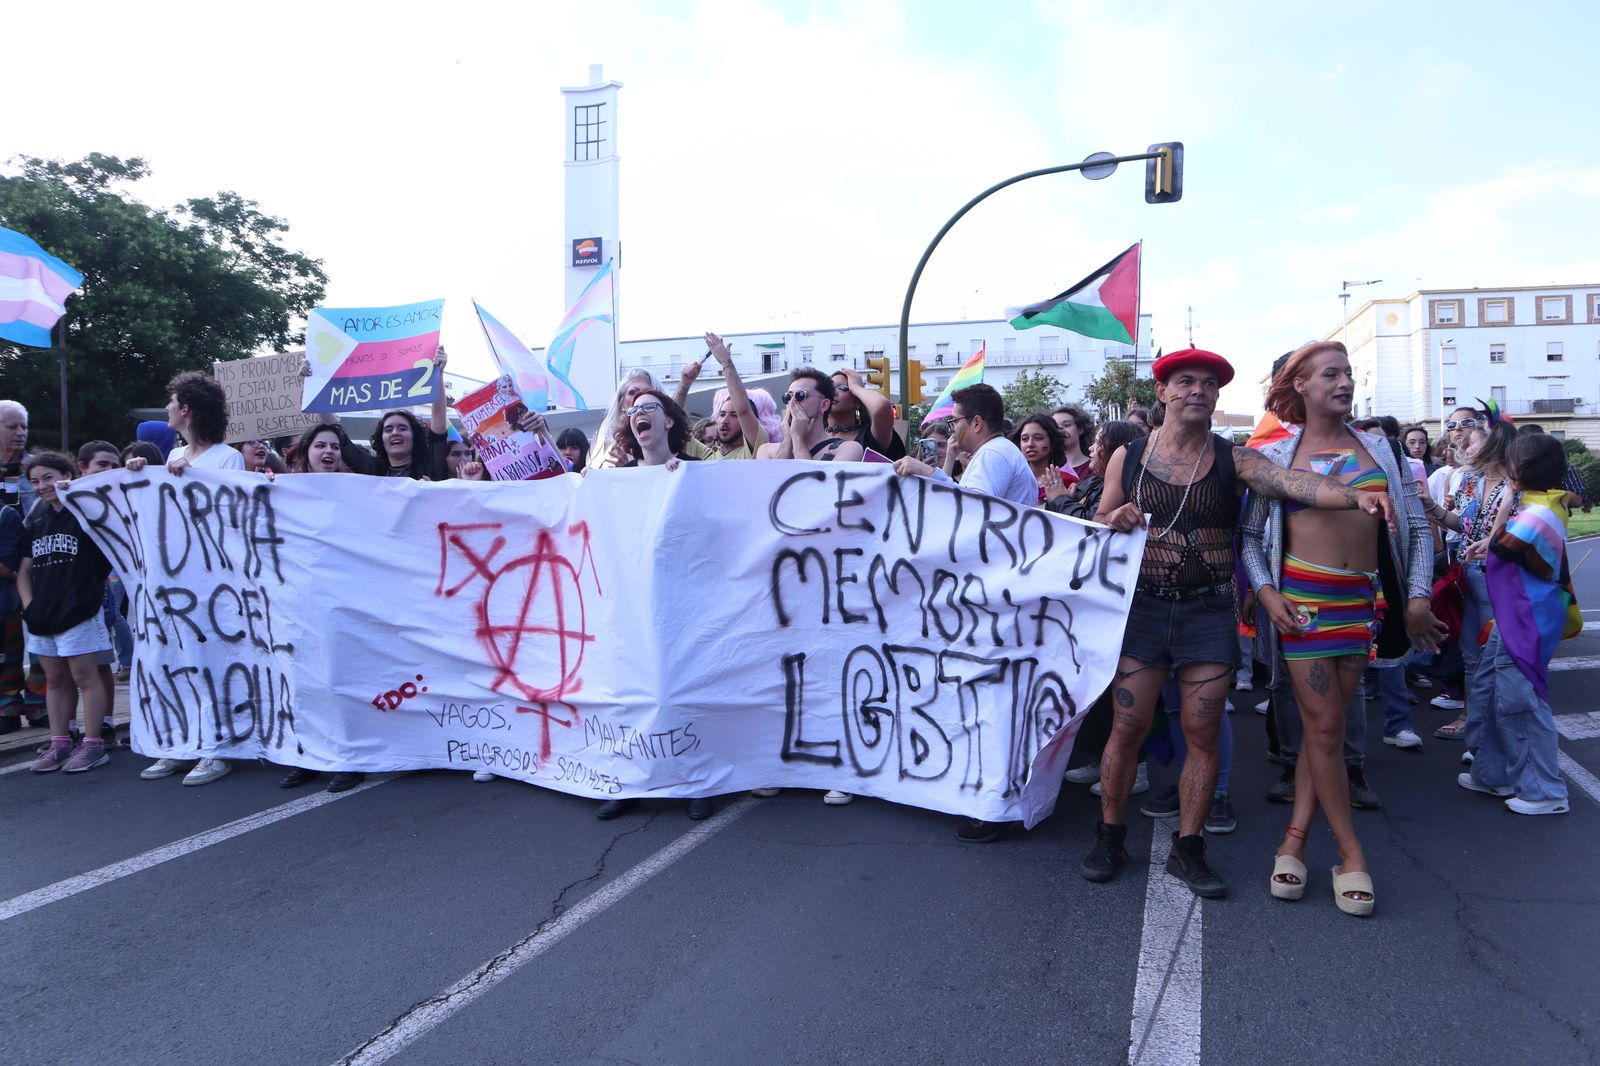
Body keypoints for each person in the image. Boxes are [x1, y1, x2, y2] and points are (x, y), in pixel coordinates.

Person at [1080, 347, 1398, 900]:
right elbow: (1098, 518)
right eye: (1185, 381)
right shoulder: (1128, 457)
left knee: (1202, 733)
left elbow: (1288, 485)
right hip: (1144, 608)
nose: (1197, 390)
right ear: (1163, 392)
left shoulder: (1235, 459)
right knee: (1127, 728)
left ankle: (1190, 847)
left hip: (1207, 610)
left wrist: (1356, 496)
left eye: (1208, 383)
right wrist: (1115, 517)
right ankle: (1109, 835)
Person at [1242, 341, 1441, 916]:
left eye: (1349, 373)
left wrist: (1419, 596)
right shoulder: (1276, 454)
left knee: (1320, 734)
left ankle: (1294, 841)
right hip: (1302, 607)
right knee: (1327, 729)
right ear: (1299, 385)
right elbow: (1254, 538)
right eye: (1331, 373)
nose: (1345, 382)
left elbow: (1418, 529)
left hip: (1362, 607)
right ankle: (1351, 854)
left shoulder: (1381, 447)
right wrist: (1266, 590)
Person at [894, 383, 1042, 840]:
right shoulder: (996, 454)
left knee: (992, 702)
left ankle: (994, 805)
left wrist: (930, 473)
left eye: (956, 420)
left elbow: (973, 512)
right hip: (998, 593)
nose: (952, 429)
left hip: (998, 596)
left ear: (976, 421)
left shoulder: (995, 453)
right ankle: (993, 797)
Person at [125, 372, 243, 785]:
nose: (168, 409)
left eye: (172, 402)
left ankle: (216, 747)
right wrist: (140, 472)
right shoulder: (172, 458)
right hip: (172, 580)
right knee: (175, 663)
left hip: (210, 582)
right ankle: (179, 744)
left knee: (209, 665)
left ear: (187, 409)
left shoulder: (226, 459)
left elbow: (228, 515)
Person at [1457, 432, 1576, 815]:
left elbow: (1505, 546)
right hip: (1515, 616)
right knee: (1492, 686)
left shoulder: (1539, 510)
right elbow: (1503, 544)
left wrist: (1506, 501)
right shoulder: (1539, 505)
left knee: (1519, 701)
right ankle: (1494, 774)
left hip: (1527, 620)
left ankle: (1544, 790)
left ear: (1519, 470)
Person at [1420, 407, 1516, 741]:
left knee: (1496, 657)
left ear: (1493, 446)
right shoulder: (1471, 481)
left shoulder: (1516, 485)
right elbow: (1462, 524)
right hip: (1468, 576)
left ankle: (1491, 733)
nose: (1466, 447)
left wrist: (1496, 541)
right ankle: (1475, 727)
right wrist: (1431, 507)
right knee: (1471, 654)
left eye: (1473, 442)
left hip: (1502, 580)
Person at [18, 453, 115, 775]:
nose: (42, 486)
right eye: (35, 481)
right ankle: (60, 742)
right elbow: (24, 569)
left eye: (48, 477)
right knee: (55, 680)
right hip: (44, 615)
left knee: (84, 677)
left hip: (79, 611)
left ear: (67, 475)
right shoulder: (37, 518)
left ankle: (93, 744)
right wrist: (30, 606)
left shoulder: (86, 511)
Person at [678, 332, 772, 461]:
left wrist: (725, 362)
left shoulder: (755, 451)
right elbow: (670, 422)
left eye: (734, 415)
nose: (724, 420)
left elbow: (743, 409)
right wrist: (684, 385)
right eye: (722, 414)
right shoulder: (706, 456)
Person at [756, 369, 866, 463]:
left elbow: (815, 486)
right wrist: (787, 440)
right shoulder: (766, 450)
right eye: (788, 397)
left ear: (824, 404)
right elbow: (770, 484)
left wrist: (798, 439)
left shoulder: (848, 448)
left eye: (801, 395)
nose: (792, 402)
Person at [1051, 420, 1147, 522]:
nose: (1091, 448)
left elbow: (1090, 523)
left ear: (1115, 449)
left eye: (1099, 443)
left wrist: (1059, 498)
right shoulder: (1093, 481)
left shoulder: (1122, 488)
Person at [591, 371, 665, 470]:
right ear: (622, 404)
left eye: (647, 392)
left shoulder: (673, 441)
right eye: (632, 392)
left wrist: (630, 467)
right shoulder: (606, 444)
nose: (639, 397)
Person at [829, 366, 903, 459]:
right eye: (829, 388)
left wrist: (856, 387)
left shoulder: (870, 436)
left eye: (842, 388)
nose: (834, 393)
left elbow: (881, 406)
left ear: (857, 401)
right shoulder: (811, 434)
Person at [1012, 413, 1073, 506]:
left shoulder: (1067, 478)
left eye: (1038, 438)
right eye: (1024, 439)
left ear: (1052, 443)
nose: (1030, 444)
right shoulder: (1013, 477)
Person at [1051, 405, 1096, 483]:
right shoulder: (1048, 468)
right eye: (1056, 427)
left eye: (1066, 425)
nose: (1061, 430)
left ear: (1080, 429)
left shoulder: (1094, 467)